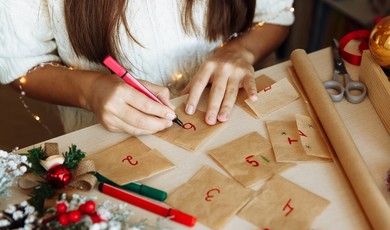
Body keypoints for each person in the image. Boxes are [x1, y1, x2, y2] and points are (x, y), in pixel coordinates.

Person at [0, 0, 295, 135]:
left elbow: (277, 15)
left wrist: (240, 49)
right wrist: (90, 91)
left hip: (233, 125)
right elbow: (22, 65)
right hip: (109, 139)